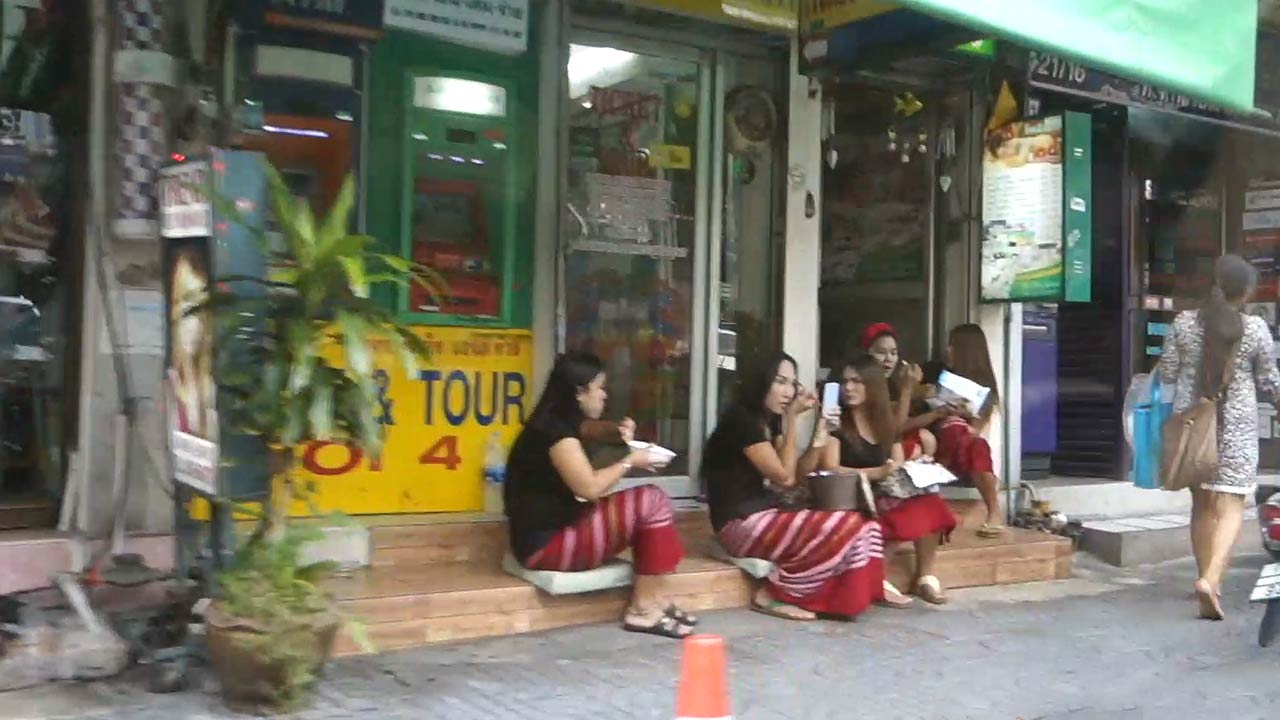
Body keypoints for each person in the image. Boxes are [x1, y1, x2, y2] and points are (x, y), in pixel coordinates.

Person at [504, 351, 695, 638]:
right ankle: (643, 609)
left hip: (556, 530)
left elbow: (591, 429)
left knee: (649, 504)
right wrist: (630, 462)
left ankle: (657, 598)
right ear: (579, 392)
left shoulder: (556, 420)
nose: (605, 395)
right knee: (651, 501)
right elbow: (589, 487)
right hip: (547, 546)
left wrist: (618, 432)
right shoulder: (556, 434)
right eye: (600, 388)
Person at [703, 352, 886, 621]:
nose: (788, 392)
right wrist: (791, 420)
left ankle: (841, 599)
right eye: (780, 382)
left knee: (866, 524)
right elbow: (785, 477)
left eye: (792, 383)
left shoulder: (767, 420)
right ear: (760, 382)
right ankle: (774, 592)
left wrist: (820, 430)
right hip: (739, 524)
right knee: (846, 525)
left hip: (765, 512)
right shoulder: (741, 421)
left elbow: (795, 479)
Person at [1158, 254, 1279, 620]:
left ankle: (1204, 576)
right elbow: (1269, 380)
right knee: (1231, 505)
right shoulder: (1254, 329)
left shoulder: (1183, 324)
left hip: (1194, 426)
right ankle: (1211, 580)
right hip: (1237, 426)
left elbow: (1167, 373)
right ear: (1245, 292)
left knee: (1202, 504)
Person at [821, 356, 958, 605]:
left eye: (857, 381)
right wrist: (876, 472)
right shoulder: (836, 422)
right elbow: (830, 468)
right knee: (901, 510)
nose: (848, 387)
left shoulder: (885, 424)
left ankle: (925, 575)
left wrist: (916, 468)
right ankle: (877, 577)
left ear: (872, 385)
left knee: (930, 501)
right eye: (845, 381)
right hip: (852, 494)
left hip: (885, 489)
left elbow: (897, 461)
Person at [933, 323, 1005, 538]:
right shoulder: (937, 374)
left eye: (953, 345)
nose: (947, 350)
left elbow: (976, 429)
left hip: (964, 450)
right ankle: (994, 510)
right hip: (939, 444)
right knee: (963, 436)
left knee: (974, 444)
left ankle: (993, 511)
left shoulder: (983, 389)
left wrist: (963, 414)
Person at [862, 322, 939, 459]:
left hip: (888, 439)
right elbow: (896, 429)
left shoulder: (890, 383)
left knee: (926, 438)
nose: (888, 359)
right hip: (868, 443)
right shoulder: (861, 384)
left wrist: (915, 393)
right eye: (881, 353)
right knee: (915, 448)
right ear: (866, 354)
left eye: (893, 353)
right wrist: (907, 389)